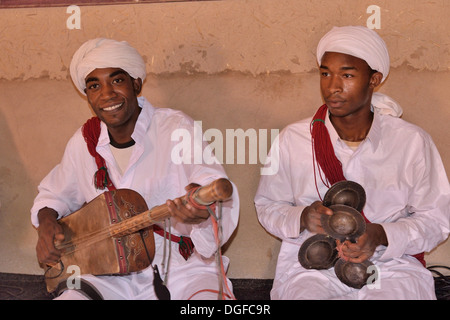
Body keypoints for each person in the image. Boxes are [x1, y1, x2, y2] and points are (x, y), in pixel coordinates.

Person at [31, 38, 239, 300]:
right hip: (108, 271)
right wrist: (46, 223)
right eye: (94, 86)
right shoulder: (85, 141)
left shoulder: (174, 127)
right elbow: (54, 193)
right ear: (88, 96)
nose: (106, 94)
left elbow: (210, 182)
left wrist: (199, 213)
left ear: (136, 84)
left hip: (180, 267)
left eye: (116, 81)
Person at [254, 26, 450, 299]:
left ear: (374, 79)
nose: (332, 86)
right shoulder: (293, 139)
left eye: (347, 75)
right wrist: (301, 217)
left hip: (389, 265)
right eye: (325, 74)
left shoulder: (411, 142)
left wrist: (381, 234)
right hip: (314, 266)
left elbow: (436, 220)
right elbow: (267, 206)